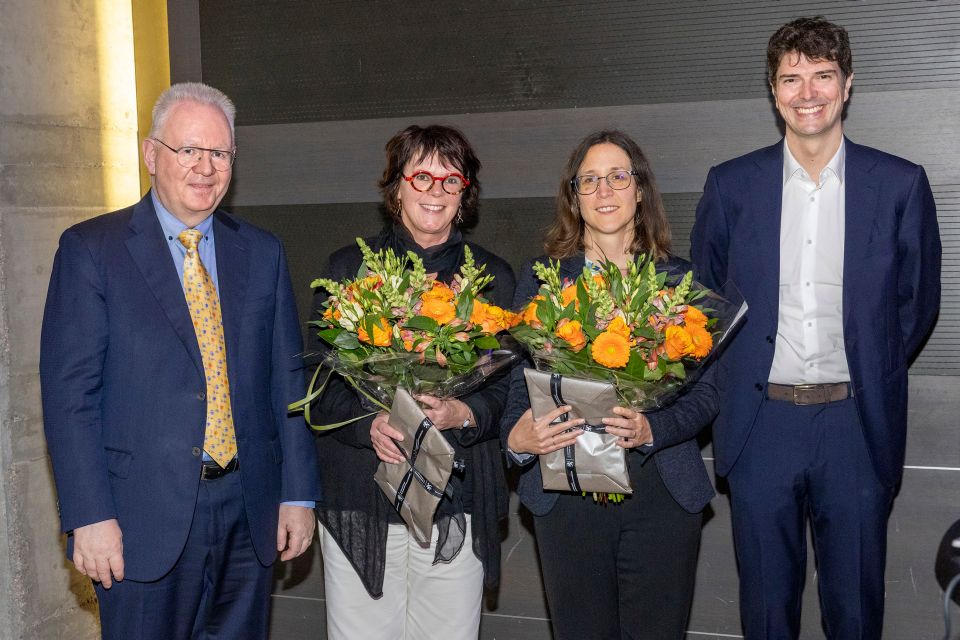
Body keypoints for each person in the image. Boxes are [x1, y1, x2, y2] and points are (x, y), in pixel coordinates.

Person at [39, 82, 321, 639]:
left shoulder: (262, 251)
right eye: (188, 149)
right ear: (151, 154)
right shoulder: (92, 249)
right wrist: (89, 515)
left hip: (249, 510)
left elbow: (287, 381)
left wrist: (297, 494)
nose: (205, 168)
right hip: (139, 518)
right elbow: (70, 397)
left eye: (220, 153)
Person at [690, 17, 941, 638]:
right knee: (766, 615)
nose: (808, 93)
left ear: (847, 84)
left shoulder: (900, 184)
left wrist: (869, 360)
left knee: (854, 613)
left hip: (856, 425)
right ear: (773, 92)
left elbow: (915, 306)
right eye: (791, 79)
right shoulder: (730, 185)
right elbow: (704, 300)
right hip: (760, 427)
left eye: (823, 76)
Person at [501, 130, 719, 639]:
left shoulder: (678, 281)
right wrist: (517, 438)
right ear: (574, 198)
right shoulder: (543, 279)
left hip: (659, 490)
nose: (604, 191)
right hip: (566, 492)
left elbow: (709, 391)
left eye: (618, 177)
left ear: (640, 190)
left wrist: (653, 428)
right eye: (590, 180)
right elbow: (516, 379)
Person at [311, 125, 515, 640]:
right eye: (421, 176)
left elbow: (507, 390)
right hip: (360, 491)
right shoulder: (348, 270)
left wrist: (462, 413)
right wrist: (369, 423)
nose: (435, 191)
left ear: (465, 194)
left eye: (451, 180)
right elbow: (319, 383)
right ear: (396, 186)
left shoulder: (492, 278)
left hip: (456, 496)